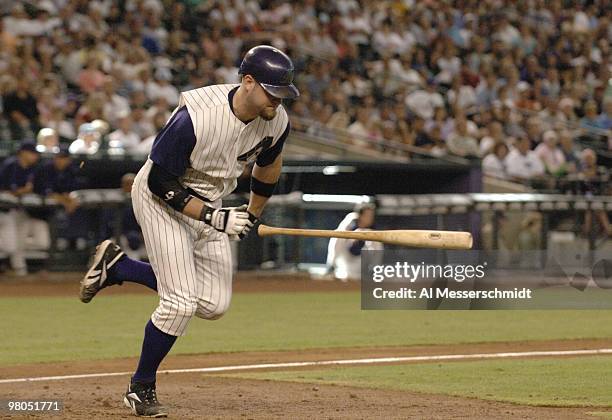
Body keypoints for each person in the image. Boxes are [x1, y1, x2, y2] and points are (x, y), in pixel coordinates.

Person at [78, 45, 298, 417]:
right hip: (160, 199)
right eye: (272, 92)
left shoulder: (276, 120)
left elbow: (269, 165)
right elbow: (159, 181)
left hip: (213, 201)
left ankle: (120, 268)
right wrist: (214, 218)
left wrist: (252, 214)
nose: (277, 101)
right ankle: (140, 387)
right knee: (180, 302)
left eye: (283, 94)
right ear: (247, 82)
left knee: (213, 305)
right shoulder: (196, 118)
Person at [0, 141, 48, 276]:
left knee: (19, 244)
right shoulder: (10, 165)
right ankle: (15, 267)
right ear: (22, 152)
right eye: (32, 153)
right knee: (10, 246)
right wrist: (22, 191)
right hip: (5, 210)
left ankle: (19, 269)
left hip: (21, 210)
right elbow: (4, 190)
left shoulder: (34, 168)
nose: (35, 156)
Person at [326, 203, 383, 281]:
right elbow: (338, 239)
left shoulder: (371, 229)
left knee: (376, 242)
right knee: (338, 236)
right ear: (360, 215)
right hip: (345, 262)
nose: (370, 218)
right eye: (367, 215)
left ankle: (373, 270)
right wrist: (354, 235)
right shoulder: (350, 221)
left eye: (371, 216)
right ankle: (331, 267)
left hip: (360, 266)